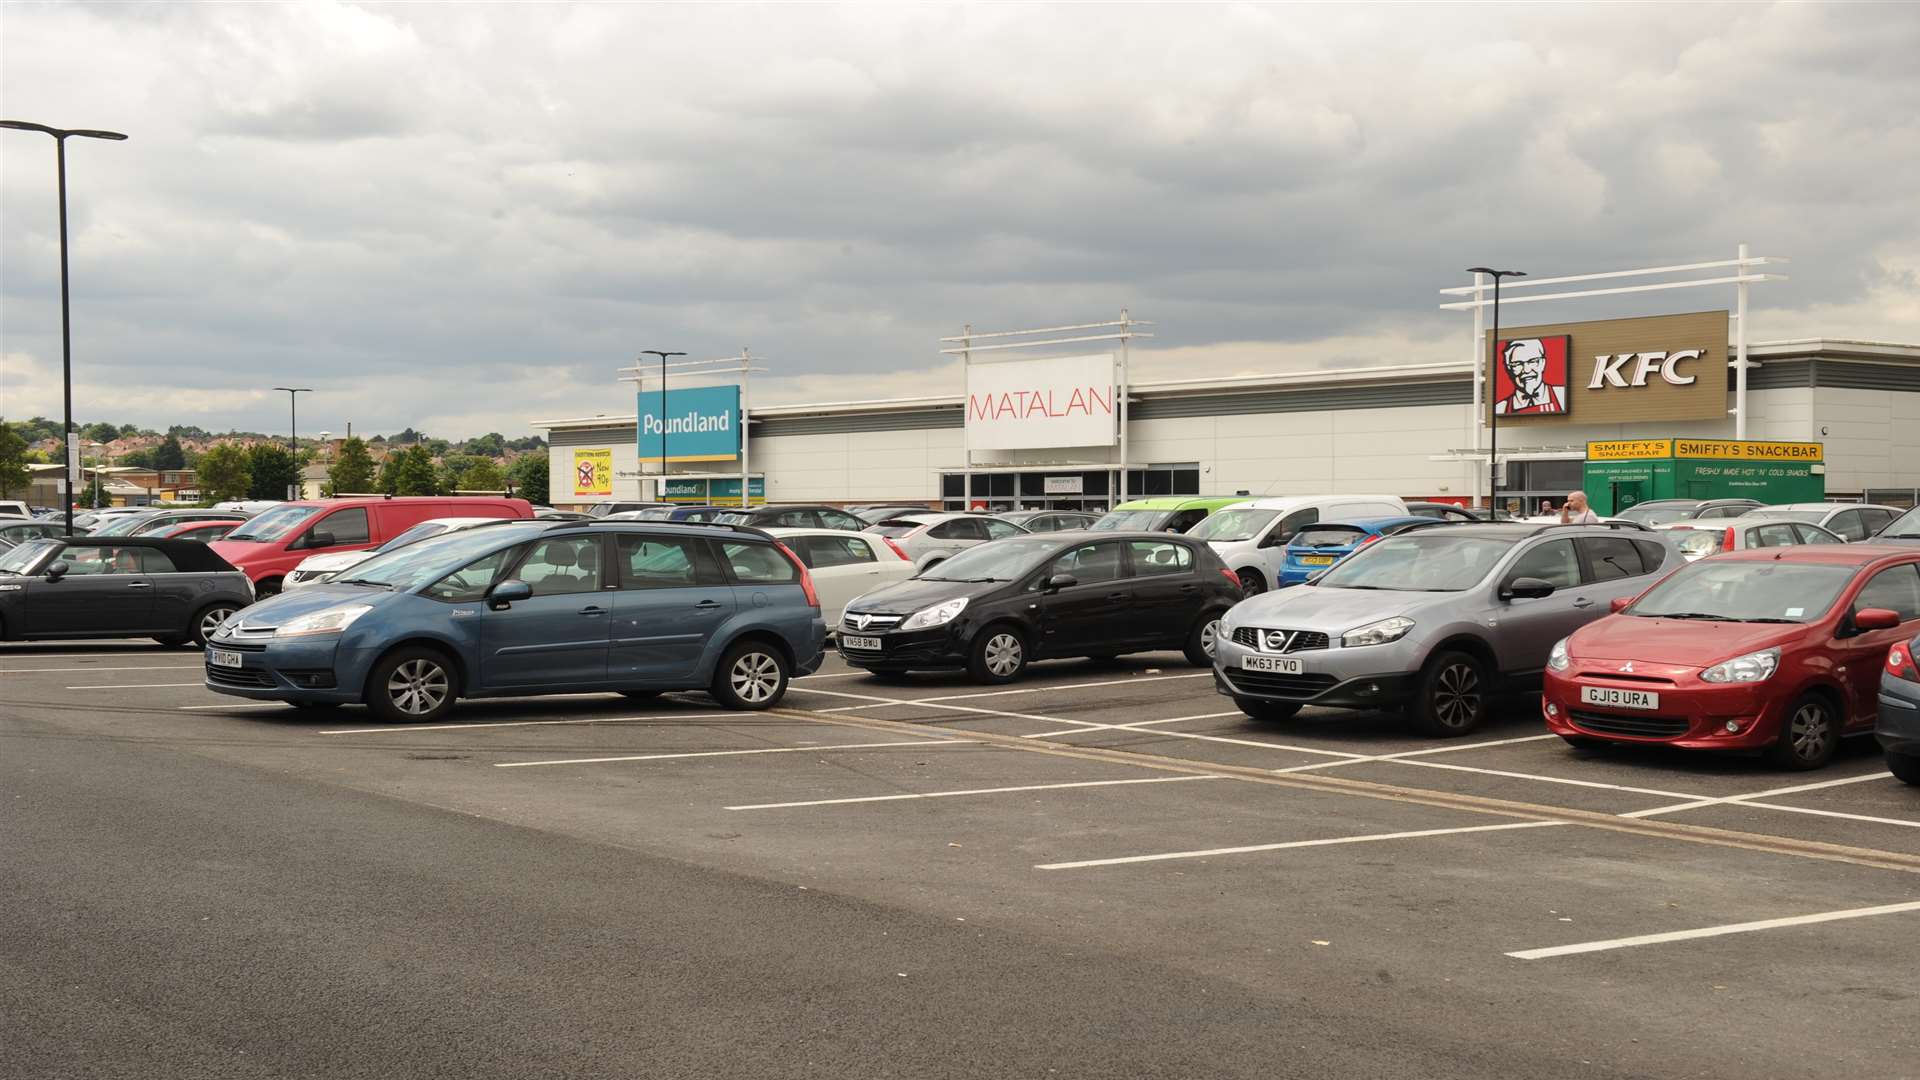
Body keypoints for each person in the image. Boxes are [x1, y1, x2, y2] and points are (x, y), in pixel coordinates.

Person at [1492, 338, 1569, 415]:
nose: (1526, 370)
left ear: (1543, 363)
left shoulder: (1562, 395)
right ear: (1509, 368)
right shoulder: (1500, 408)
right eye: (1517, 364)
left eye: (1532, 361)